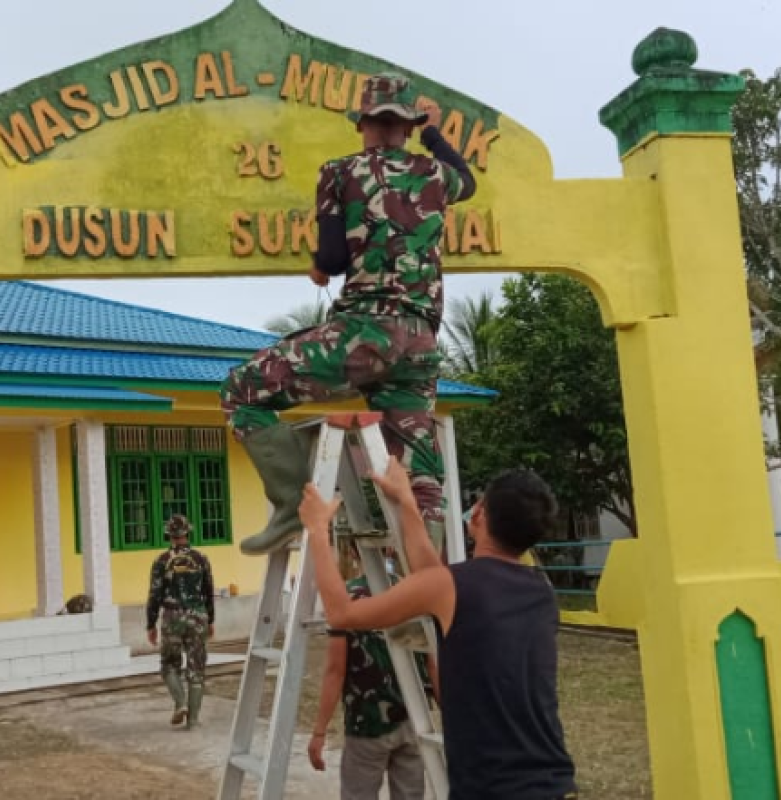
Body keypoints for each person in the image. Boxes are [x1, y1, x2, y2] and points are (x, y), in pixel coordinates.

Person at [221, 72, 476, 556]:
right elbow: (468, 180)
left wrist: (319, 267)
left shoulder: (339, 172)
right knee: (420, 474)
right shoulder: (436, 175)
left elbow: (335, 255)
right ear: (408, 124)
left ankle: (295, 508)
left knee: (242, 389)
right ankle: (427, 585)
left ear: (362, 122)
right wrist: (435, 134)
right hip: (420, 342)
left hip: (365, 332)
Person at [299, 457, 578, 799]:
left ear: (478, 515)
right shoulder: (541, 590)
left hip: (494, 787)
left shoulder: (452, 586)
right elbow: (430, 575)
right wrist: (406, 502)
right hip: (552, 780)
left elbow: (342, 614)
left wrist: (316, 531)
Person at [309, 566, 428, 800]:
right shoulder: (416, 592)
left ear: (353, 550)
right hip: (413, 719)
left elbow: (335, 670)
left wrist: (319, 732)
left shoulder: (345, 598)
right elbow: (431, 658)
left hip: (367, 723)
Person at [145, 514, 216, 730]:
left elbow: (154, 594)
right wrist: (210, 619)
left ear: (170, 535)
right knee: (197, 669)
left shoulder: (162, 561)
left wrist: (151, 623)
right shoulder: (202, 558)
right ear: (187, 532)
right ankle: (193, 720)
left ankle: (180, 702)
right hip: (197, 616)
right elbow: (209, 592)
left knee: (169, 665)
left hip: (172, 617)